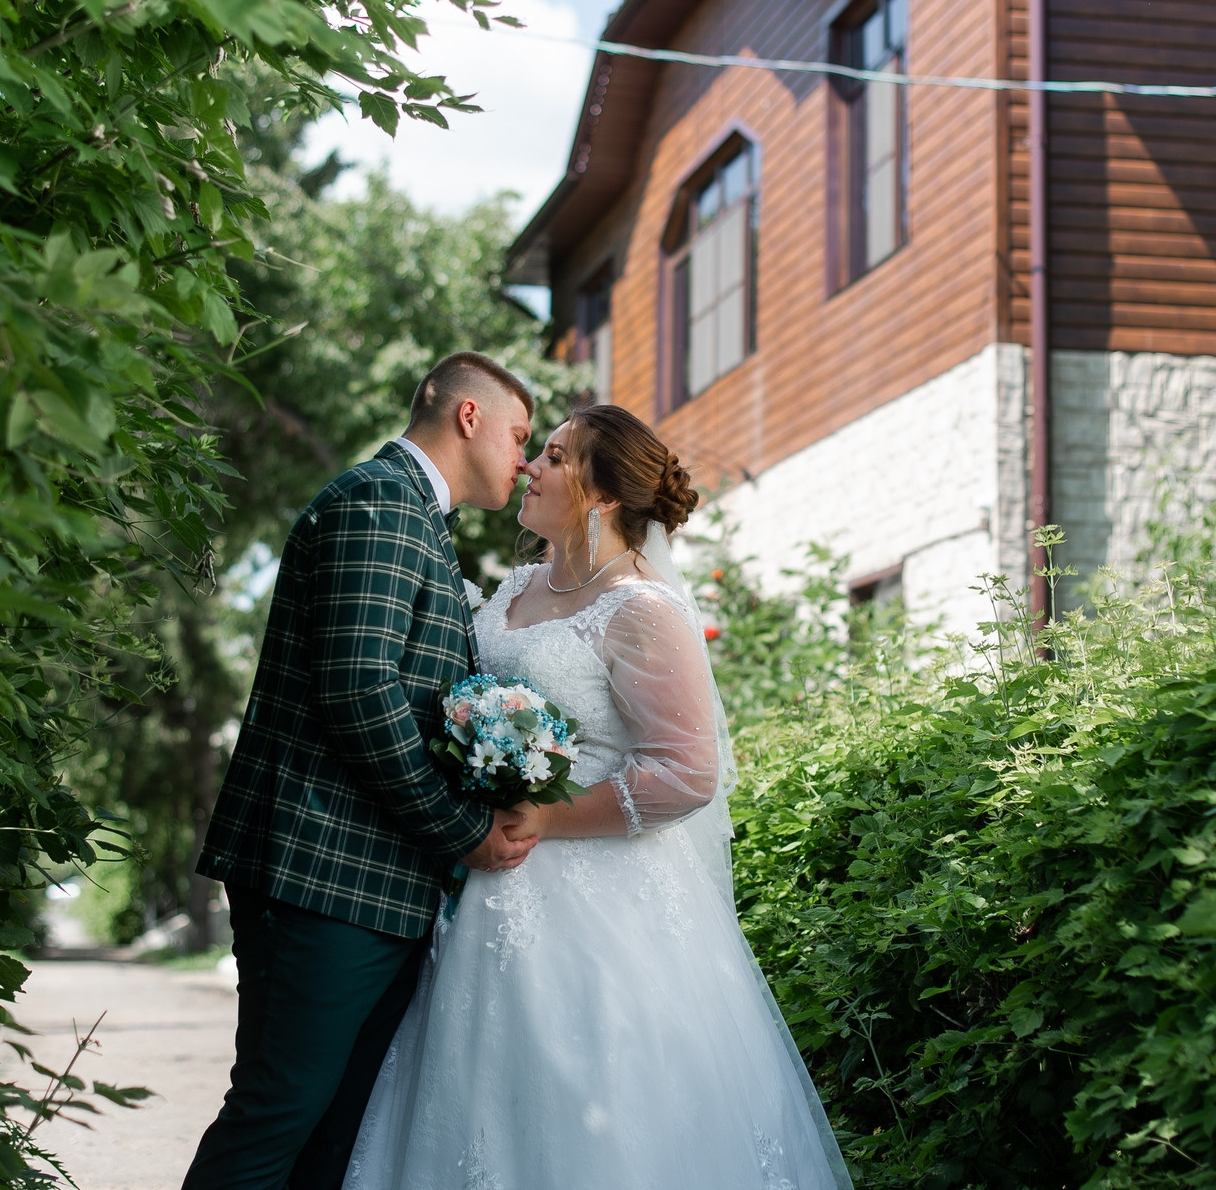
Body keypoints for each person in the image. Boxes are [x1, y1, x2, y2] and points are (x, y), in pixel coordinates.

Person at [343, 404, 853, 1190]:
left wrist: (548, 814)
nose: (530, 467)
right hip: (483, 884)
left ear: (604, 494)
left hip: (603, 904)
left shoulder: (642, 608)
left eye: (552, 456)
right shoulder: (515, 584)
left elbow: (686, 770)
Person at [181, 353, 541, 1190]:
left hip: (374, 885)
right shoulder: (379, 505)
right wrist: (464, 831)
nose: (523, 459)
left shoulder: (416, 518)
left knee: (332, 1138)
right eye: (520, 435)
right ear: (467, 417)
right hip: (320, 877)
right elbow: (359, 692)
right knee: (278, 1116)